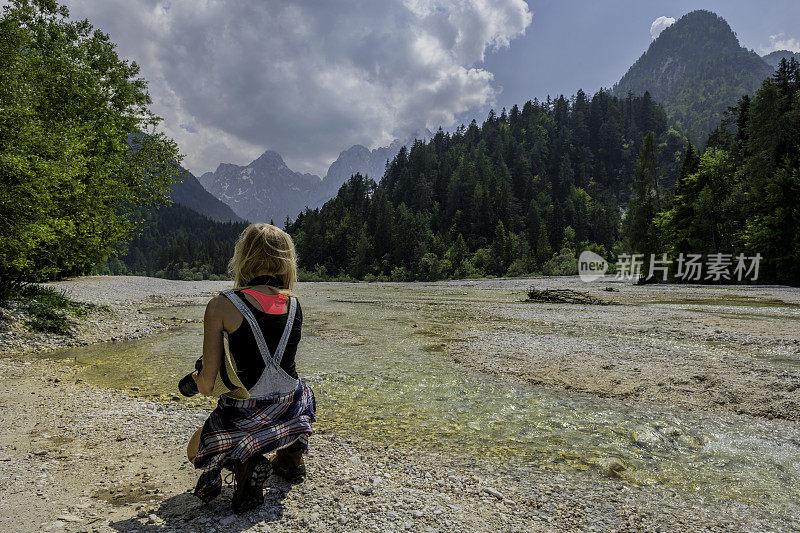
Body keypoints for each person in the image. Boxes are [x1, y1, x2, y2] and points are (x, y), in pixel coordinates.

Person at [186, 223, 316, 512]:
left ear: (243, 257)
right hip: (289, 408)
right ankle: (291, 455)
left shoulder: (220, 304)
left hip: (245, 413)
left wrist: (199, 378)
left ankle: (243, 463)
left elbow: (208, 387)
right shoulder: (295, 304)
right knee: (299, 388)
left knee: (194, 453)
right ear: (286, 261)